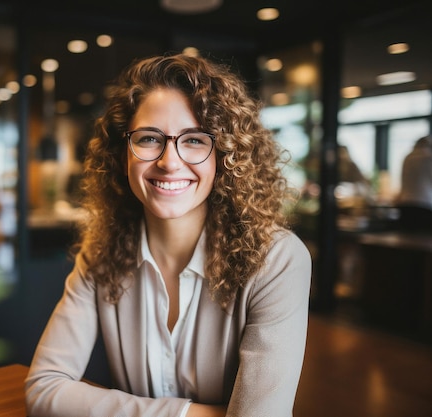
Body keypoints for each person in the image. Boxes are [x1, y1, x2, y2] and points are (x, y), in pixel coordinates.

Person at [25, 53, 312, 417]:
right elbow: (44, 389)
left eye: (194, 140)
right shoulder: (100, 253)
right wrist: (197, 414)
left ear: (225, 154)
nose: (170, 161)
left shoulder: (277, 260)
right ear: (121, 153)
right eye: (148, 138)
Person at [395, 135, 432, 232]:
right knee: (423, 241)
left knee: (408, 238)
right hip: (425, 205)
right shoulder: (428, 157)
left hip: (405, 204)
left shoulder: (408, 157)